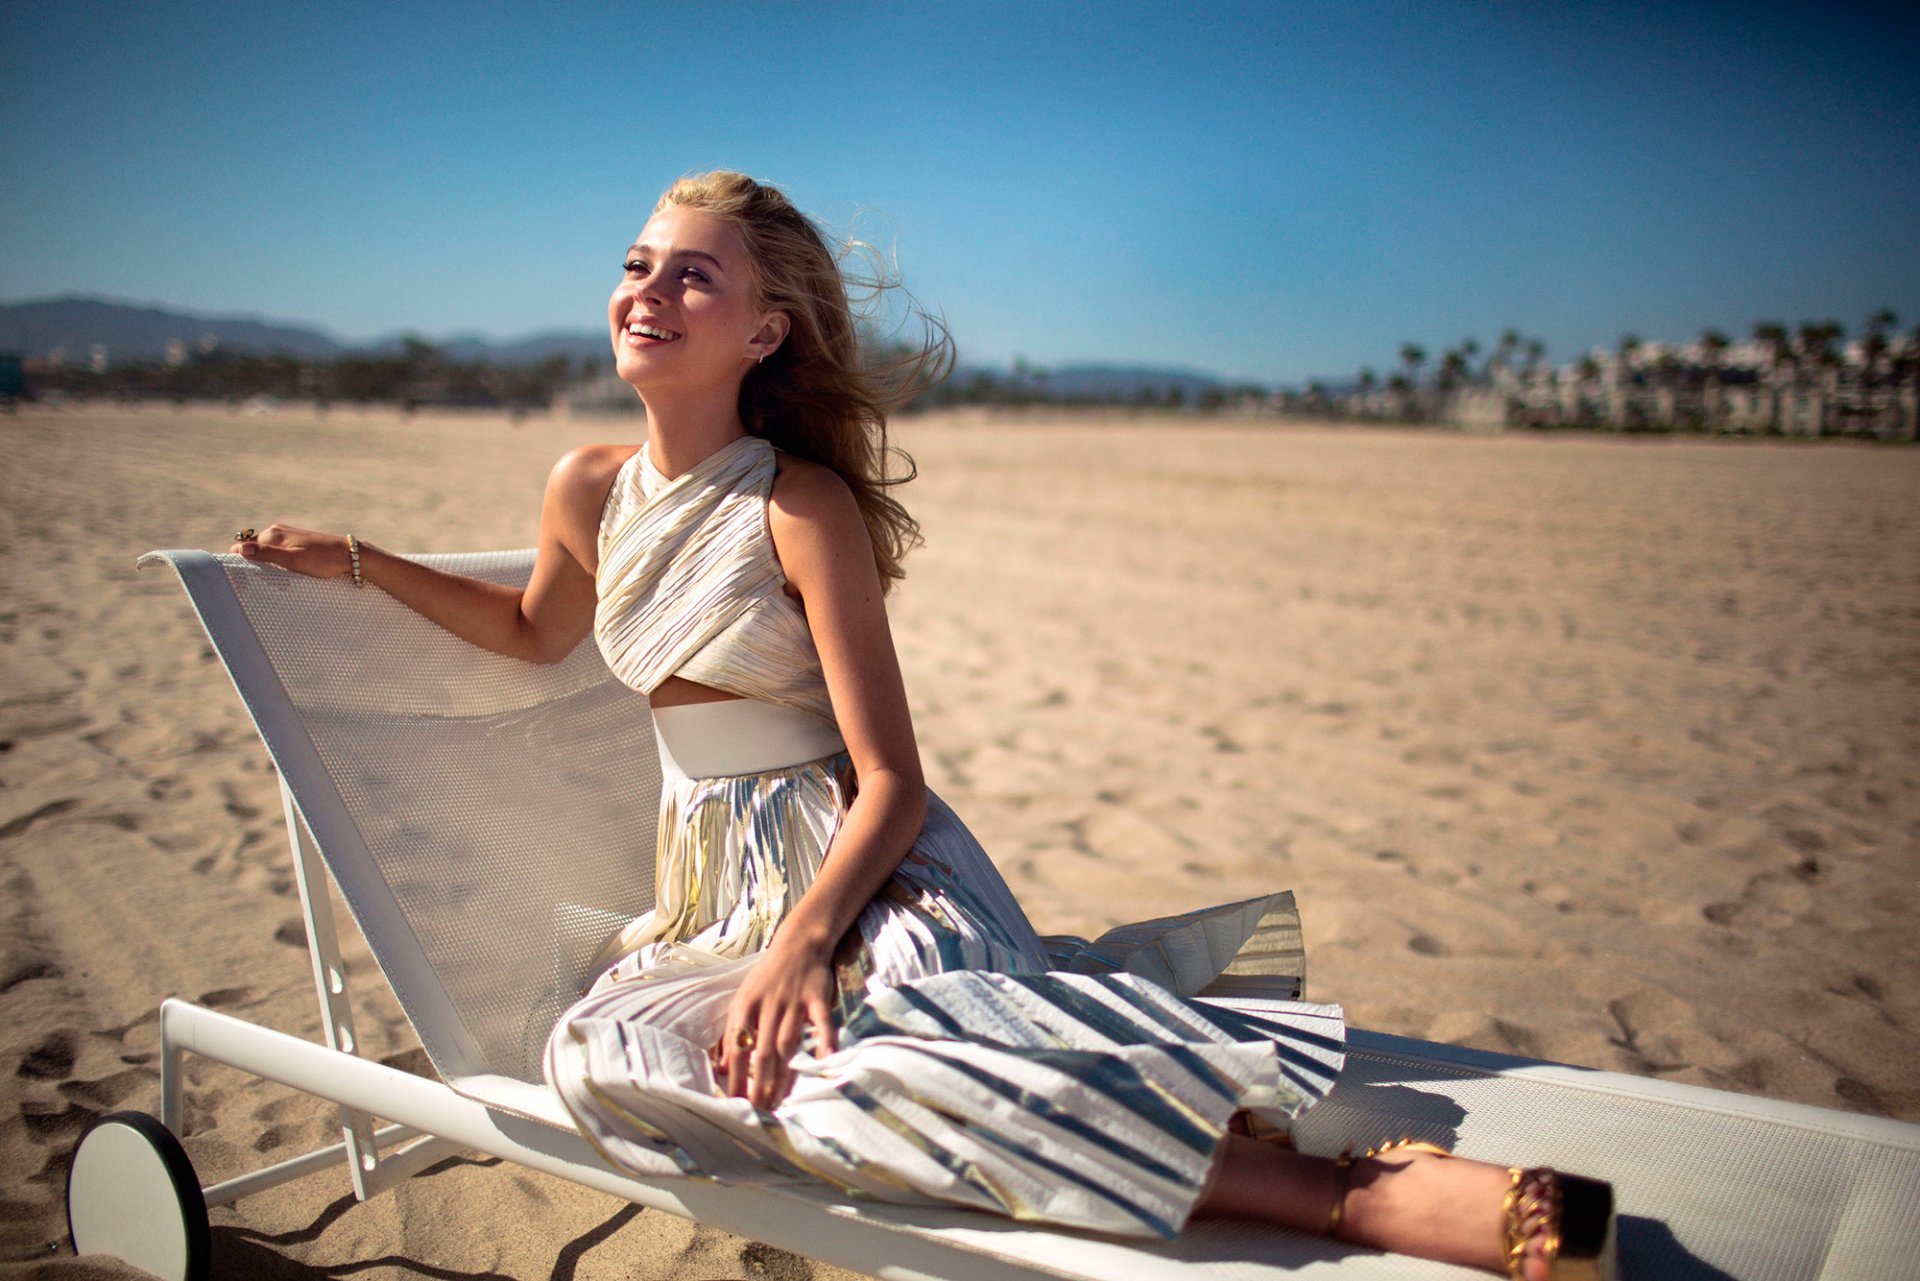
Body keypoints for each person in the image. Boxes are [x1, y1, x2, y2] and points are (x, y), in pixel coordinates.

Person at [233, 171, 1614, 1279]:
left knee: (878, 1062)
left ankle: (1349, 1200)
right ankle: (1228, 1153)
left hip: (865, 880)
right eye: (639, 261)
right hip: (706, 899)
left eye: (692, 272)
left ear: (765, 331)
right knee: (600, 1059)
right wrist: (360, 558)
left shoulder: (798, 507)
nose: (648, 289)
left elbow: (891, 779)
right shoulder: (584, 483)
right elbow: (536, 628)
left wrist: (802, 946)